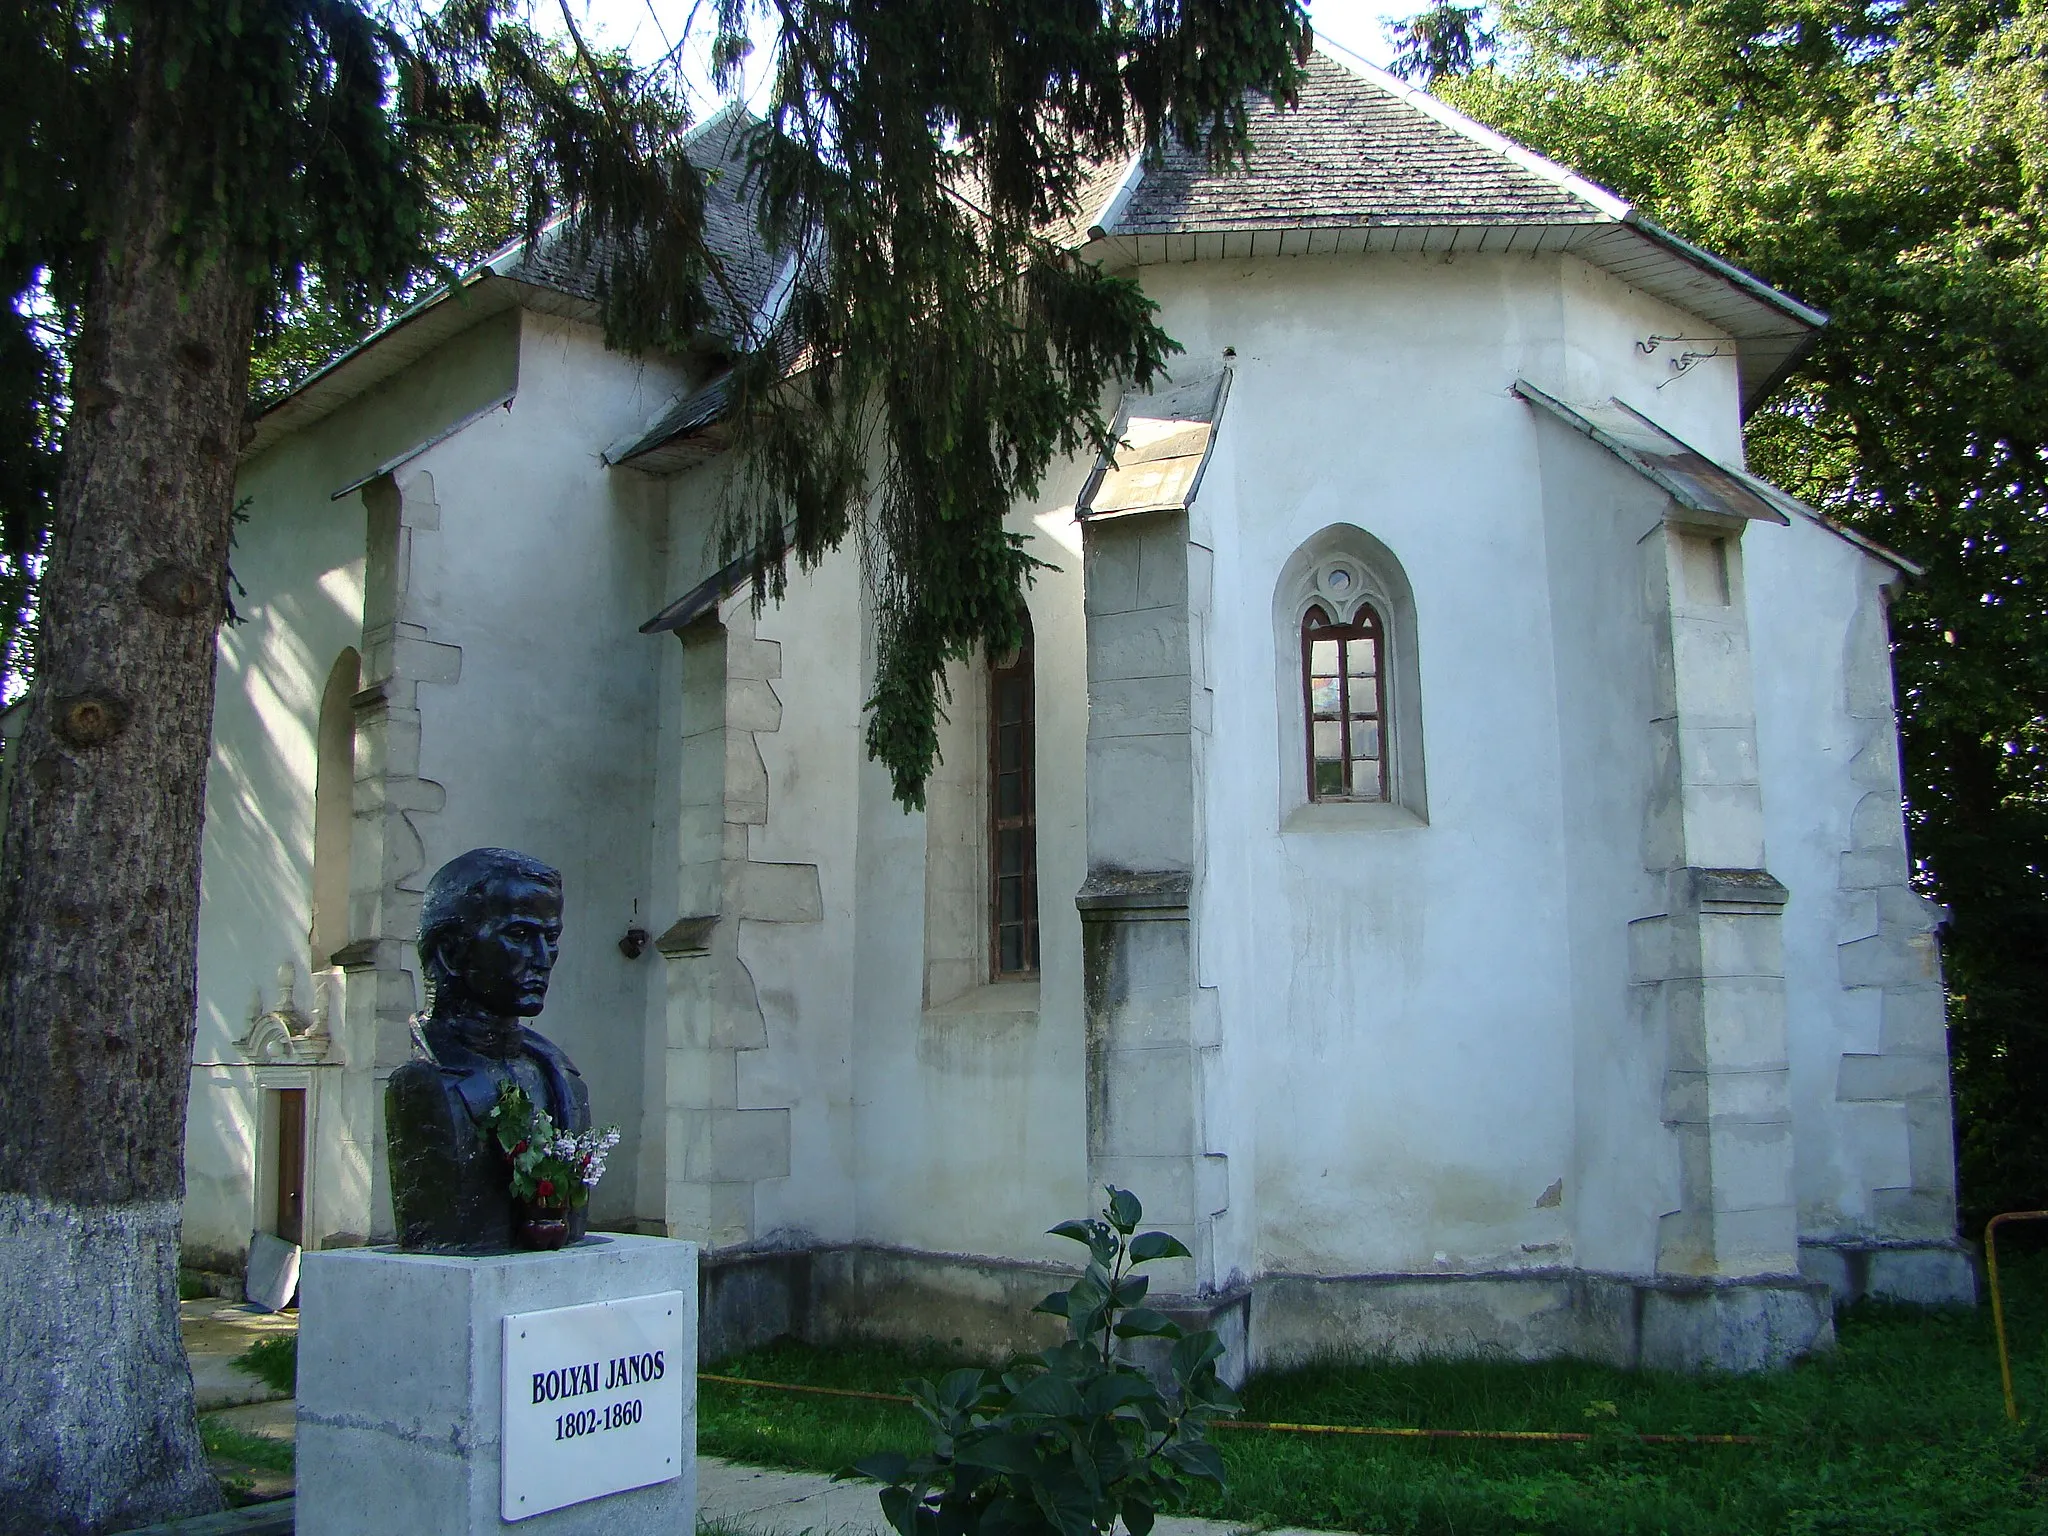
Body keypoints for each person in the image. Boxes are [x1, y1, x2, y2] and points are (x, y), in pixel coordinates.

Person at [385, 847, 591, 1253]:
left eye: (551, 938)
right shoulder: (425, 1086)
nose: (543, 957)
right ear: (451, 951)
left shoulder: (563, 1081)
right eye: (519, 935)